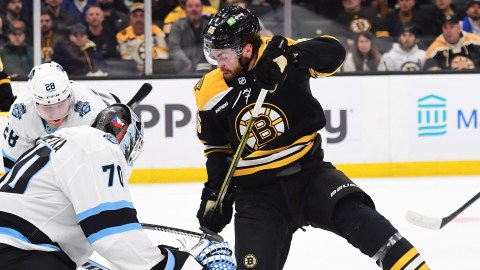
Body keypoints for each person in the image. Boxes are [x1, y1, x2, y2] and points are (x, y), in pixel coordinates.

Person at [194, 6, 430, 270]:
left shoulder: (278, 52)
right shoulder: (208, 91)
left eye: (223, 55)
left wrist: (292, 56)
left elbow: (334, 52)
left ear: (247, 49)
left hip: (310, 176)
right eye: (213, 55)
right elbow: (215, 147)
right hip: (257, 196)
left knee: (375, 230)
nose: (218, 63)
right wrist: (216, 192)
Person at [0, 103, 235, 270]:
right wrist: (184, 264)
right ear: (128, 137)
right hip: (21, 252)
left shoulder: (62, 141)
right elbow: (115, 238)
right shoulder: (102, 146)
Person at [2, 61, 117, 173]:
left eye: (61, 105)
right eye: (47, 108)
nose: (56, 115)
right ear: (35, 103)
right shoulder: (20, 113)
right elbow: (13, 163)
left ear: (69, 96)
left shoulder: (91, 110)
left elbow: (111, 158)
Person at [116, 2, 169, 75]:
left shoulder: (156, 30)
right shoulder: (122, 35)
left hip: (155, 69)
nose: (139, 19)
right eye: (135, 16)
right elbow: (125, 57)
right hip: (131, 71)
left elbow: (164, 54)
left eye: (142, 16)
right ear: (130, 18)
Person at [167, 0, 212, 74]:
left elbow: (213, 48)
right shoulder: (177, 25)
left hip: (206, 69)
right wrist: (187, 62)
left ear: (202, 8)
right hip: (183, 69)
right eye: (190, 6)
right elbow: (174, 48)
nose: (194, 9)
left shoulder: (209, 26)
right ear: (185, 9)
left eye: (197, 6)